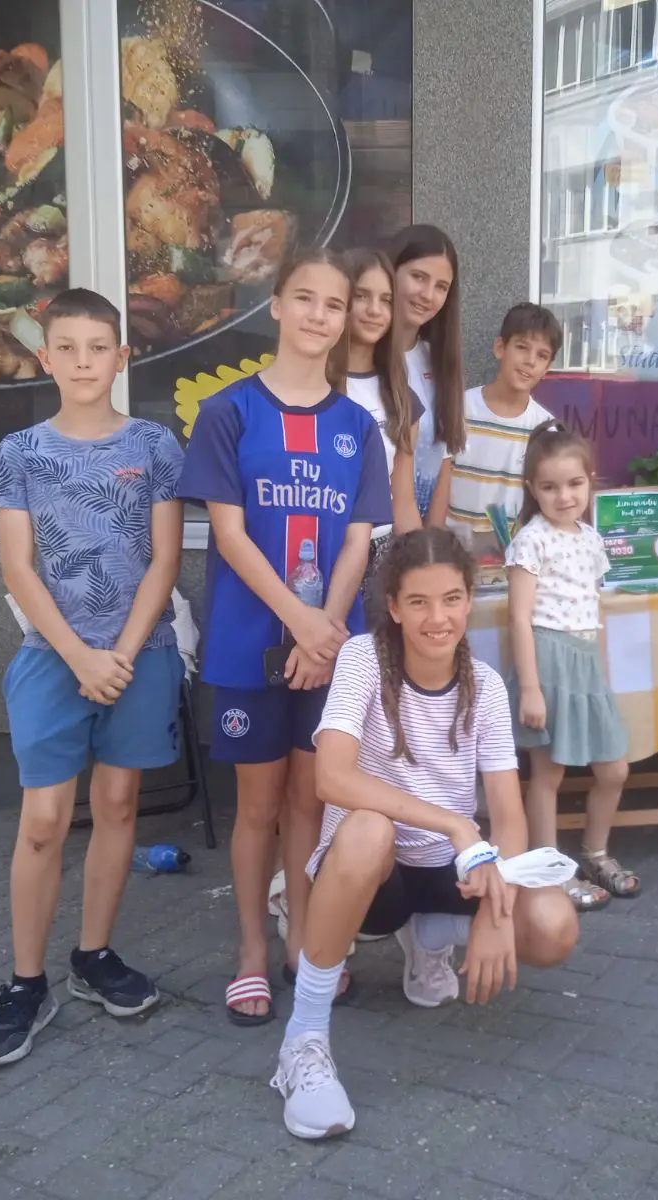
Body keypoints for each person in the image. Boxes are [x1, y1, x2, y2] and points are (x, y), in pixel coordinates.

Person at [275, 529, 578, 1139]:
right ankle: (303, 1041)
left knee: (552, 926)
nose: (437, 618)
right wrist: (454, 823)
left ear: (469, 601)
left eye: (451, 599)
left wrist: (496, 910)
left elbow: (508, 811)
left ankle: (432, 939)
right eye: (418, 601)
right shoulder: (363, 658)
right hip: (376, 874)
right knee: (369, 830)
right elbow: (331, 778)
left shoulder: (484, 685)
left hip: (447, 870)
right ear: (393, 607)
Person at [179, 248, 393, 1025]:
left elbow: (359, 542)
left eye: (333, 305)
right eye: (304, 298)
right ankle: (249, 953)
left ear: (346, 321)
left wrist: (324, 631)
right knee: (257, 808)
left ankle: (302, 940)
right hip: (250, 645)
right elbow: (230, 535)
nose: (317, 315)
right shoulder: (228, 412)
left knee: (311, 800)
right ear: (274, 305)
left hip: (331, 651)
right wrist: (300, 622)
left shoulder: (357, 427)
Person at [0, 288, 184, 1066]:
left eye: (99, 348)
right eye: (67, 347)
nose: (84, 361)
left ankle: (93, 955)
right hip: (53, 657)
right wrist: (80, 657)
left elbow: (165, 559)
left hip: (139, 655)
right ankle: (26, 982)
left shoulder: (155, 445)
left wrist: (119, 653)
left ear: (121, 357)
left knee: (120, 804)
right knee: (43, 820)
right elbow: (17, 567)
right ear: (45, 357)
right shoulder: (21, 452)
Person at [506, 422, 635, 912]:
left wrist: (602, 675)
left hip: (586, 665)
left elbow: (593, 611)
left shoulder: (591, 539)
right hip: (548, 661)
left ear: (590, 481)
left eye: (575, 484)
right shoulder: (530, 541)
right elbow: (519, 618)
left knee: (614, 769)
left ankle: (595, 852)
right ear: (532, 489)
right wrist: (531, 688)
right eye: (550, 487)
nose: (564, 497)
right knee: (549, 772)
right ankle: (549, 871)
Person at [340, 246, 425, 600]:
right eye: (362, 296)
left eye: (386, 300)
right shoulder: (313, 386)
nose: (375, 310)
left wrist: (422, 569)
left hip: (383, 553)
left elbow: (403, 501)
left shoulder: (401, 397)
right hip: (325, 547)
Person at [445, 303, 561, 561]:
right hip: (453, 550)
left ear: (547, 368)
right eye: (522, 347)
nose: (530, 361)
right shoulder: (459, 409)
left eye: (542, 355)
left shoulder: (545, 429)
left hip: (513, 555)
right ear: (500, 348)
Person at [389, 225, 466, 524]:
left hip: (416, 539)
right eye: (418, 277)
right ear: (391, 270)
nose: (428, 295)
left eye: (441, 286)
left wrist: (431, 540)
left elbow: (444, 459)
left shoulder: (439, 362)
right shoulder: (354, 359)